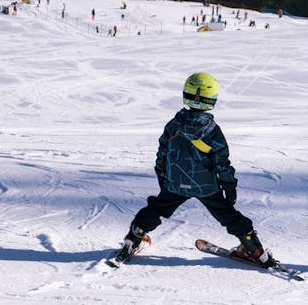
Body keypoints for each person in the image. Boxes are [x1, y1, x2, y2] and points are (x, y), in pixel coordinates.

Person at [116, 72, 275, 265]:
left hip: (175, 184)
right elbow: (222, 163)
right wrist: (229, 186)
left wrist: (164, 178)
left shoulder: (174, 125)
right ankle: (255, 250)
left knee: (156, 208)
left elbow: (162, 154)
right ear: (213, 99)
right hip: (206, 187)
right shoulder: (212, 131)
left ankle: (133, 239)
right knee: (228, 215)